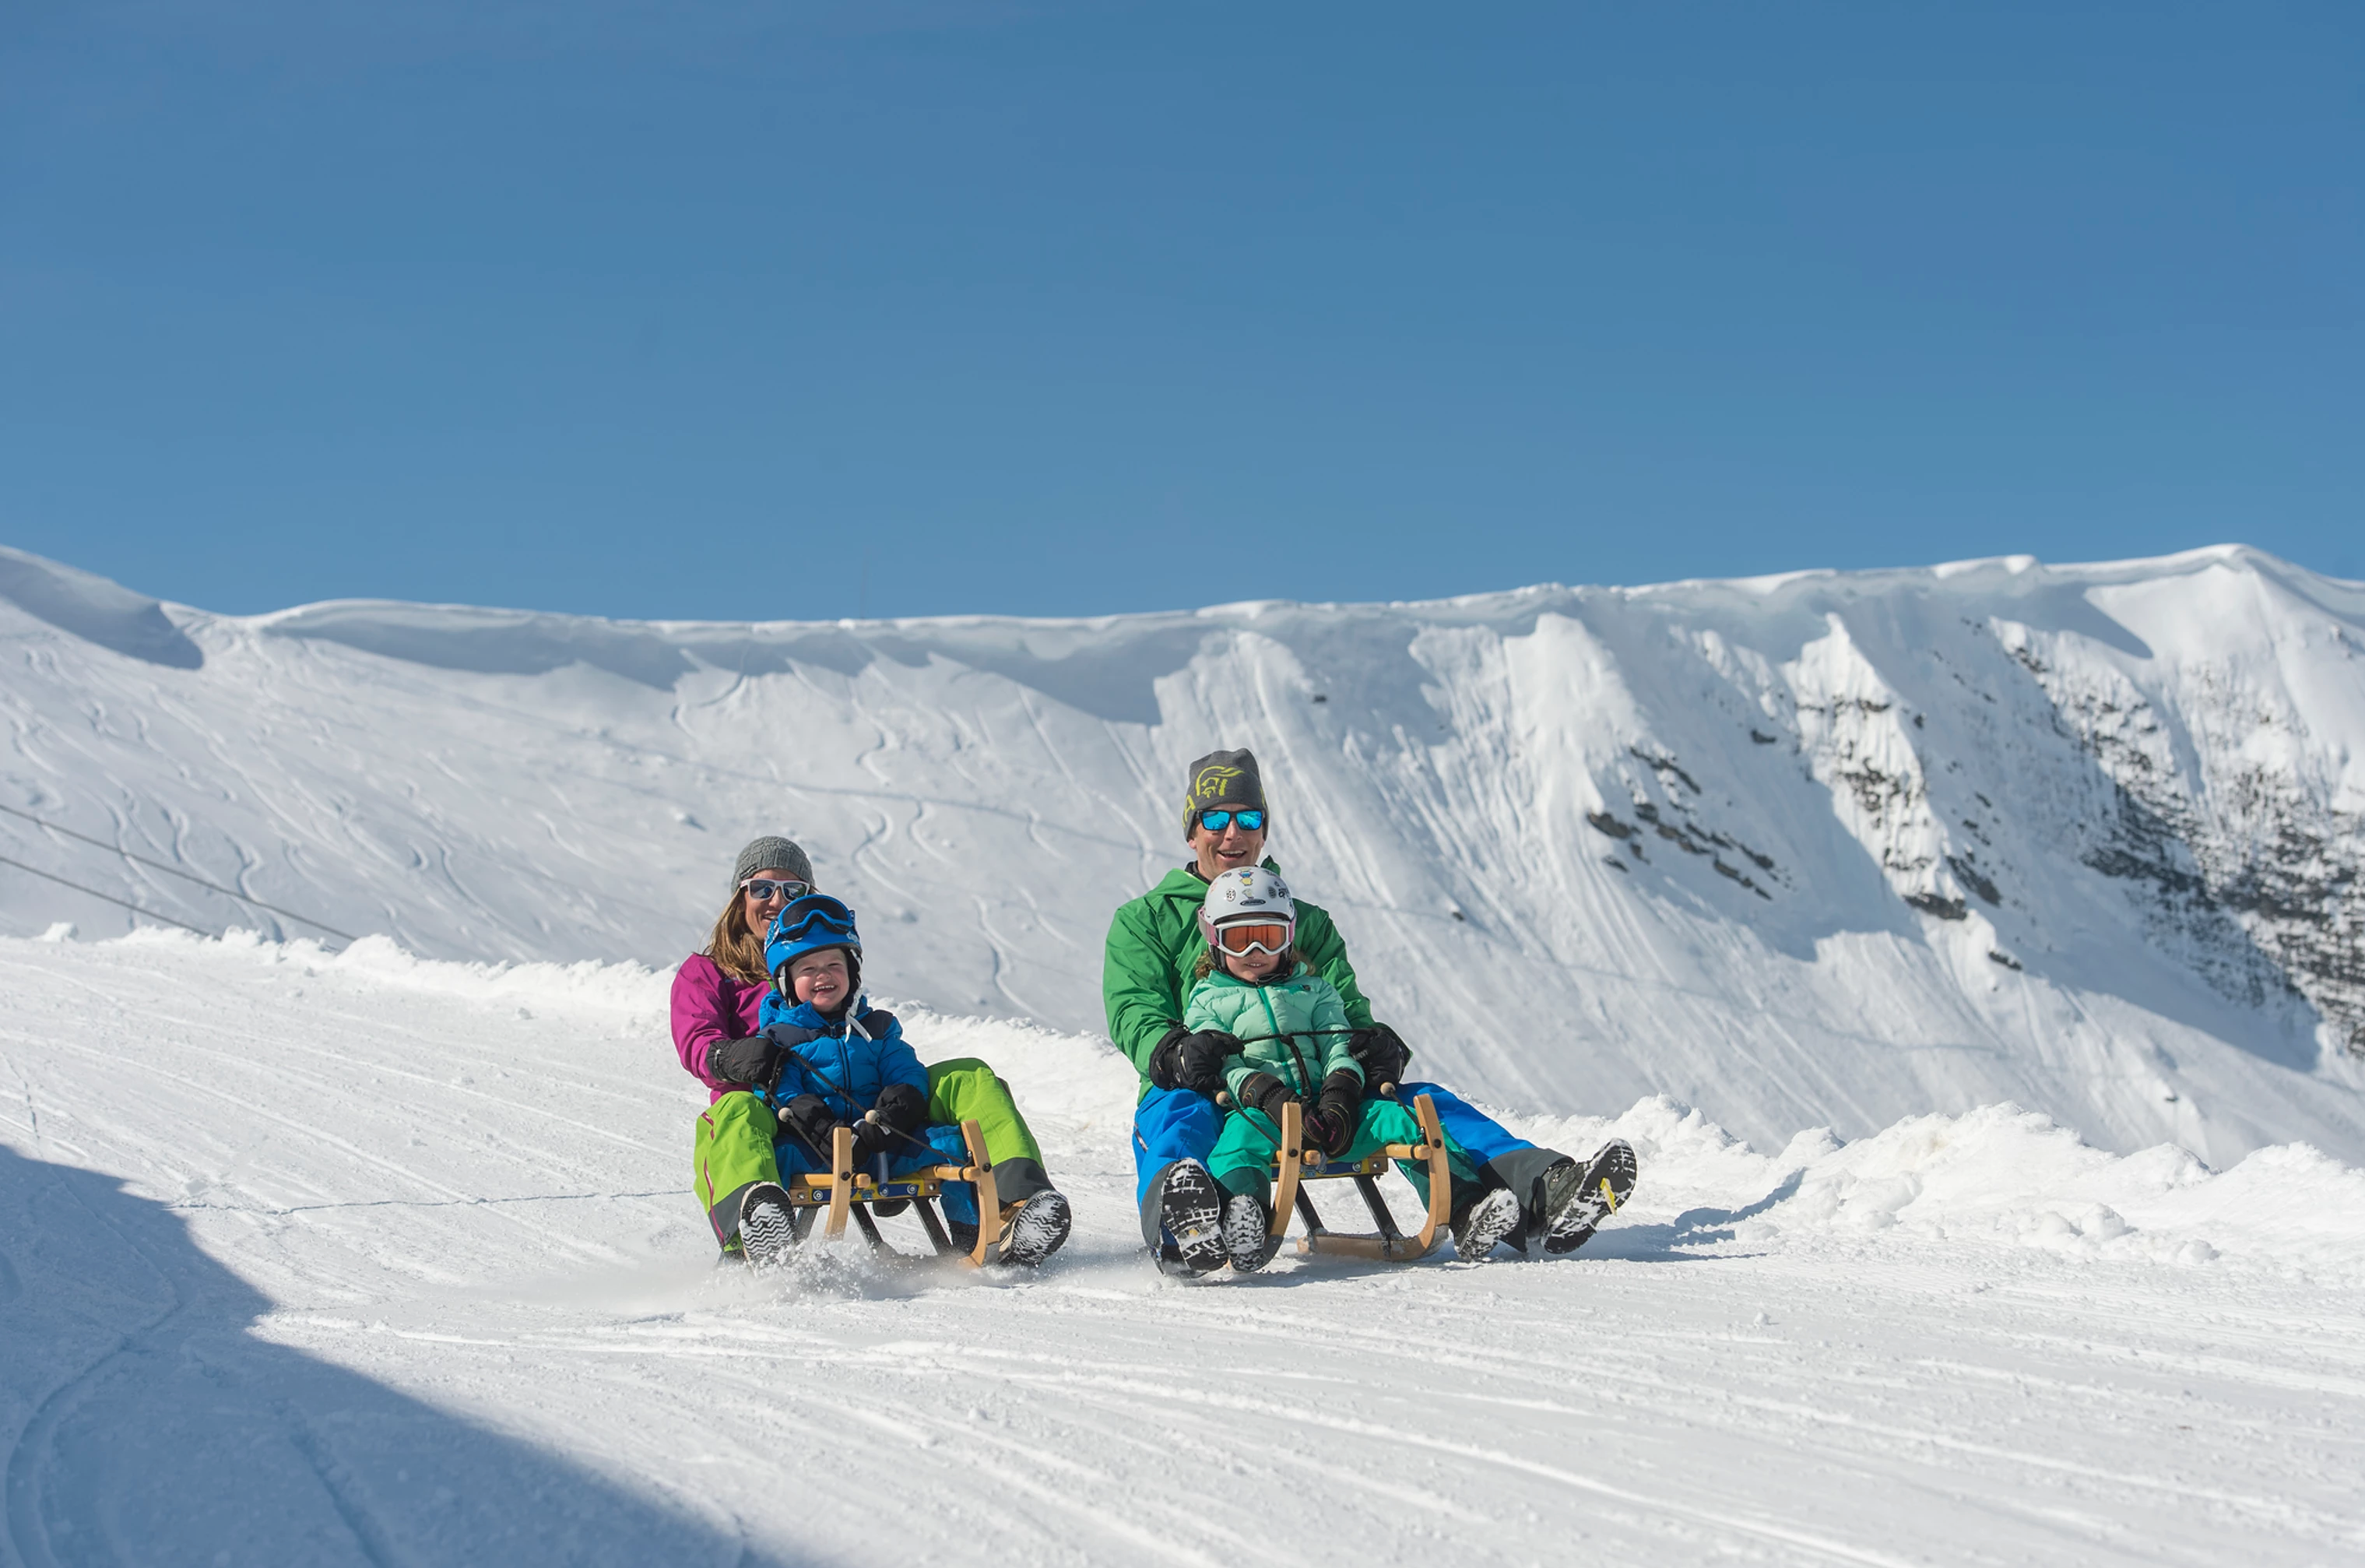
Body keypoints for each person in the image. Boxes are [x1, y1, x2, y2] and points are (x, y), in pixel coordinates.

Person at [1104, 749, 1633, 1274]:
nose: (1232, 834)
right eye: (1215, 819)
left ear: (1265, 830)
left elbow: (1343, 1007)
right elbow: (1134, 1011)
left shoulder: (1302, 921)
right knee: (1176, 1114)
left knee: (1422, 1104)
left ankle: (1542, 1190)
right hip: (1209, 1086)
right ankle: (1185, 1229)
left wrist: (1367, 1048)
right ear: (1191, 830)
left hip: (1315, 1089)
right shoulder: (1146, 920)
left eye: (1249, 818)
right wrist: (1174, 1053)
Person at [676, 836, 1069, 1267]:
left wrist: (901, 1099)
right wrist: (731, 1058)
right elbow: (697, 1041)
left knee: (969, 1076)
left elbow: (878, 1048)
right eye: (762, 889)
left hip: (867, 1115)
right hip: (779, 1116)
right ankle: (750, 1234)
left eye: (792, 891)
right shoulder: (710, 972)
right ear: (740, 896)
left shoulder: (827, 959)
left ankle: (1015, 1205)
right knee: (731, 1113)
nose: (775, 901)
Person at [1187, 867, 1483, 1273]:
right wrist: (1266, 1094)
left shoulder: (1315, 990)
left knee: (1398, 1119)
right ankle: (1244, 1217)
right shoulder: (1207, 1000)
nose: (1254, 950)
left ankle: (1467, 1205)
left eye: (1268, 937)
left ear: (1289, 937)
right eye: (1239, 940)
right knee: (1237, 1140)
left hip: (1333, 1116)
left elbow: (1338, 1044)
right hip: (1264, 1115)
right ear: (1216, 941)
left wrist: (1341, 1094)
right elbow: (1226, 1065)